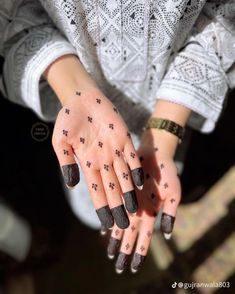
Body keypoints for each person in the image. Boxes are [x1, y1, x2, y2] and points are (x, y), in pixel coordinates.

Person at [0, 0, 234, 274]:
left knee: (156, 199)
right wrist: (75, 90)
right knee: (98, 196)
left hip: (176, 113)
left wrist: (162, 135)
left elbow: (224, 20)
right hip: (84, 133)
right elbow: (12, 14)